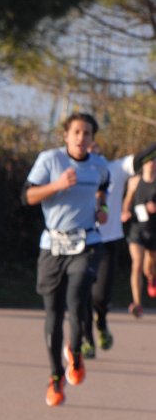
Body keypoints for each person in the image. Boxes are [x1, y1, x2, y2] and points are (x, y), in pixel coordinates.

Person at [23, 112, 110, 407]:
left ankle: (75, 351)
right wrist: (57, 185)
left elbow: (104, 188)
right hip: (53, 245)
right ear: (66, 135)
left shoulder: (99, 165)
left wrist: (102, 209)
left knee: (76, 299)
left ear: (92, 139)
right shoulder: (50, 160)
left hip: (87, 242)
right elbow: (27, 196)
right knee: (54, 313)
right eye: (76, 132)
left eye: (87, 133)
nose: (81, 138)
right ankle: (55, 376)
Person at [83, 138, 156, 349]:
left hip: (108, 242)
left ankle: (101, 323)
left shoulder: (116, 168)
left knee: (100, 296)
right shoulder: (73, 172)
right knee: (82, 294)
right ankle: (86, 341)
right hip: (81, 242)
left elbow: (143, 155)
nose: (90, 148)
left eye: (94, 144)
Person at [122, 157, 156, 317]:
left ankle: (151, 278)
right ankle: (137, 303)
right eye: (148, 161)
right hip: (137, 230)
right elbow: (127, 201)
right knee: (137, 264)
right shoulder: (135, 181)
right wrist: (125, 212)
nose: (151, 164)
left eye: (154, 161)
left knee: (149, 269)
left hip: (153, 230)